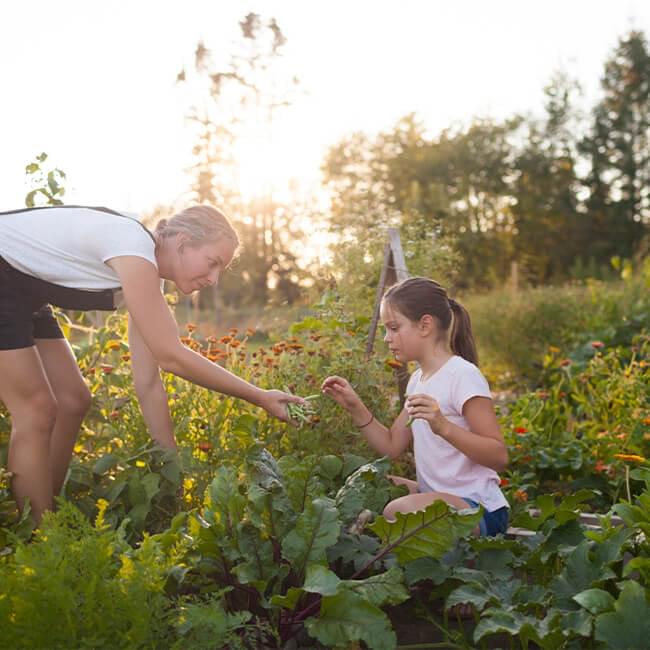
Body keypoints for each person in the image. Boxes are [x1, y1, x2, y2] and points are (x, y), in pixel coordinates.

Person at [0, 204, 304, 523]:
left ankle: (46, 512)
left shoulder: (144, 272)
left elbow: (148, 382)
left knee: (73, 399)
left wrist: (171, 469)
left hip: (22, 291)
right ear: (184, 242)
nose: (214, 279)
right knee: (35, 408)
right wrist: (260, 396)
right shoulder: (132, 247)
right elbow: (171, 355)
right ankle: (35, 541)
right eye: (213, 263)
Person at [322, 276, 509, 537]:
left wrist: (443, 426)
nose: (387, 338)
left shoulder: (462, 375)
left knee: (397, 510)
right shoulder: (418, 380)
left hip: (478, 510)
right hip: (437, 501)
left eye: (394, 328)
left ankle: (402, 558)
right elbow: (391, 447)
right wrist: (355, 406)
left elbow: (499, 456)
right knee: (368, 486)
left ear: (425, 325)